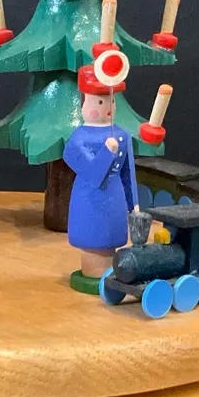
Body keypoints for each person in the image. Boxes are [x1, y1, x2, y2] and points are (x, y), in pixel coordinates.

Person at [63, 47, 140, 288]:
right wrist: (107, 152)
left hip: (115, 196)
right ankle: (93, 273)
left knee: (113, 235)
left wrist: (134, 204)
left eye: (110, 100)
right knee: (92, 236)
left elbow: (128, 172)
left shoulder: (122, 135)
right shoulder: (78, 139)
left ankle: (110, 274)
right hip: (89, 199)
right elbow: (94, 175)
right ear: (84, 103)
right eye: (99, 101)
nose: (107, 106)